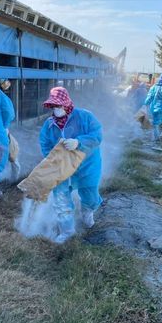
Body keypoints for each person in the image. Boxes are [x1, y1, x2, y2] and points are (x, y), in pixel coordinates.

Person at [39, 87, 103, 243]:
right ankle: (67, 231)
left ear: (66, 103)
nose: (56, 109)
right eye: (54, 106)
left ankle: (88, 210)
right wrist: (51, 158)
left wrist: (79, 142)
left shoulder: (85, 116)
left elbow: (97, 135)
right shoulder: (49, 125)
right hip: (62, 168)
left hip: (87, 166)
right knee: (60, 197)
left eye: (59, 106)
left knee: (90, 194)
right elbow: (45, 144)